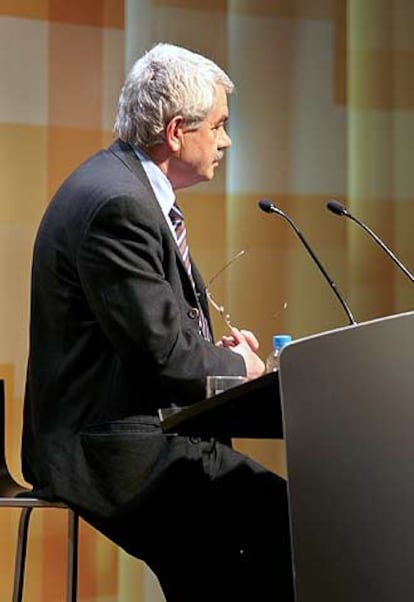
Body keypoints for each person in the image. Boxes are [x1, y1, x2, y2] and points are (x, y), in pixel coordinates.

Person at [22, 42, 294, 601]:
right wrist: (238, 365)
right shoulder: (117, 206)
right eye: (218, 125)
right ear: (176, 131)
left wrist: (215, 353)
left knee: (271, 527)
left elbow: (154, 334)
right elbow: (163, 359)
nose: (226, 140)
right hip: (110, 448)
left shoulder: (126, 189)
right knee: (279, 527)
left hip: (140, 434)